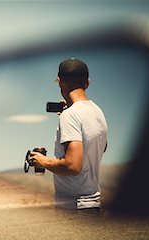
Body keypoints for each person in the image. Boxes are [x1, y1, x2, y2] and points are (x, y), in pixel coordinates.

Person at [30, 58, 108, 210]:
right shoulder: (98, 112)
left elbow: (73, 166)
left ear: (59, 81)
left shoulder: (70, 115)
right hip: (92, 205)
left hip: (74, 207)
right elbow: (101, 147)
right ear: (87, 83)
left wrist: (42, 161)